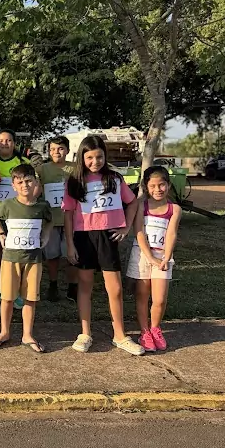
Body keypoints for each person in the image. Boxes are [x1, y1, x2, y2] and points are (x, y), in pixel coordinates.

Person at [63, 135, 144, 356]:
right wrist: (70, 244)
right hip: (83, 237)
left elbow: (133, 201)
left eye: (99, 157)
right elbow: (68, 215)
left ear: (105, 156)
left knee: (115, 288)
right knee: (85, 286)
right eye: (89, 157)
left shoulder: (115, 179)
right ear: (82, 157)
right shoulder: (74, 182)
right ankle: (85, 333)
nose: (95, 161)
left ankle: (119, 335)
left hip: (108, 237)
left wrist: (126, 227)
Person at [0, 164, 53, 352]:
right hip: (10, 259)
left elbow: (50, 221)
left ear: (35, 183)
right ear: (14, 186)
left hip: (33, 260)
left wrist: (46, 236)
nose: (25, 185)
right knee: (7, 297)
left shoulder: (43, 206)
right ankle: (4, 332)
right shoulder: (8, 205)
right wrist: (1, 234)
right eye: (20, 182)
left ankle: (27, 334)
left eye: (28, 181)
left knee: (30, 298)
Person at [128, 166, 182, 352]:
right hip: (142, 255)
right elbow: (139, 232)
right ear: (146, 186)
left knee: (159, 299)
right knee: (142, 295)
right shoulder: (141, 206)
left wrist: (165, 257)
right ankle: (144, 331)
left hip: (163, 257)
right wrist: (150, 257)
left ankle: (155, 328)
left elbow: (171, 233)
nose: (157, 189)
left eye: (162, 185)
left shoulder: (174, 209)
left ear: (168, 185)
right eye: (152, 186)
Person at [0, 129, 28, 306]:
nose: (4, 143)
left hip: (17, 217)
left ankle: (17, 290)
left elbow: (33, 188)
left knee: (17, 254)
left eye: (8, 140)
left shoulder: (23, 162)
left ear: (14, 143)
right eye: (1, 140)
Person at [36, 136, 77, 302]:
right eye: (52, 149)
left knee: (72, 255)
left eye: (60, 148)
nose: (56, 152)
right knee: (51, 255)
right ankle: (53, 285)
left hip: (73, 220)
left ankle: (72, 287)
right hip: (50, 220)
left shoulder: (76, 168)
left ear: (67, 150)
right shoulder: (42, 169)